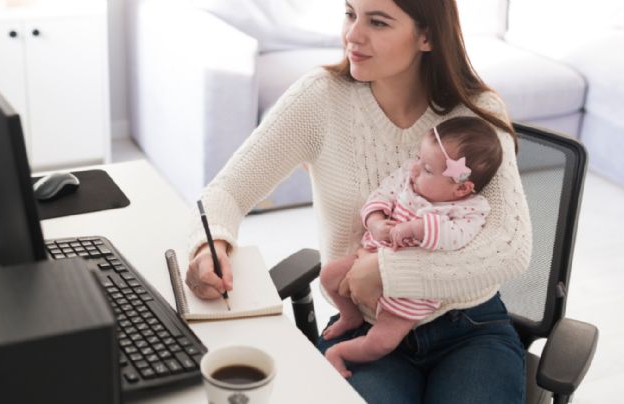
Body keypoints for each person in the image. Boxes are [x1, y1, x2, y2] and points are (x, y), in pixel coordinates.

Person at [185, 0, 532, 402]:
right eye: (350, 13)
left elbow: (510, 249)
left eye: (378, 22)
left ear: (427, 36)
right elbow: (227, 190)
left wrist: (387, 269)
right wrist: (211, 247)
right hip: (363, 326)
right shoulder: (320, 99)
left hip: (470, 327)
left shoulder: (476, 114)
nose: (353, 35)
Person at [320, 116, 502, 378]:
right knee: (328, 275)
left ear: (461, 188)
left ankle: (339, 353)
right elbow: (380, 196)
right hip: (368, 257)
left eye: (427, 169)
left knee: (381, 342)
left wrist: (417, 228)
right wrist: (376, 222)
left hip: (412, 294)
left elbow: (458, 238)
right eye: (419, 158)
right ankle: (350, 316)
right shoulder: (407, 179)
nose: (415, 169)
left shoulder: (469, 209)